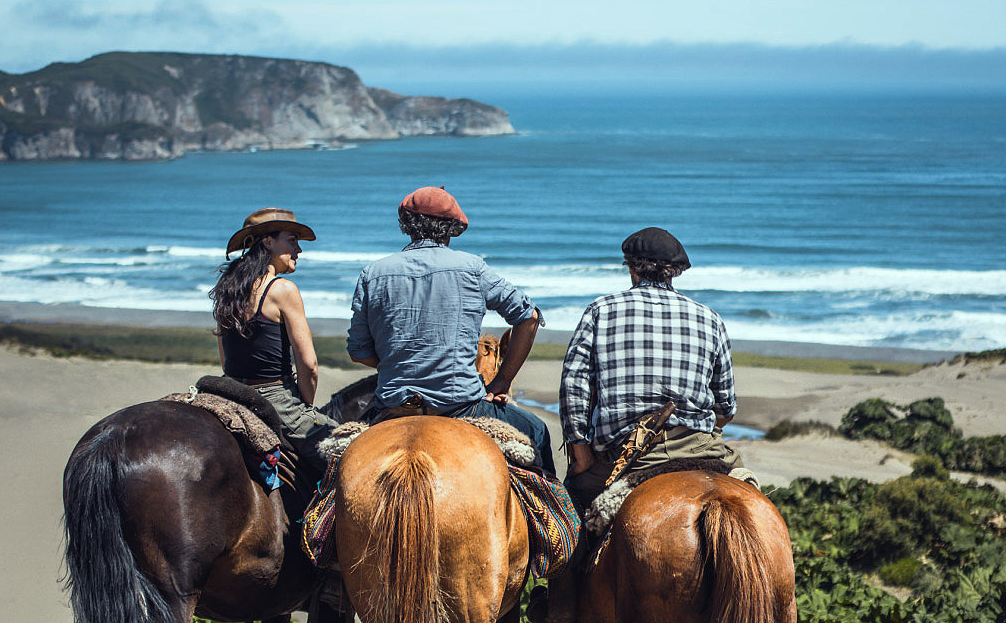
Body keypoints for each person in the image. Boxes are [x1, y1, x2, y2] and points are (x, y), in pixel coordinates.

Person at [346, 186, 556, 476]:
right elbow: (529, 318)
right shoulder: (472, 267)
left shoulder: (373, 273)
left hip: (392, 406)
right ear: (451, 229)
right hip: (461, 407)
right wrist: (501, 381)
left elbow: (358, 352)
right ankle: (559, 519)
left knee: (334, 471)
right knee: (538, 430)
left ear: (407, 226)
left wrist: (400, 359)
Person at [559, 226, 745, 514]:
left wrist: (580, 452)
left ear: (633, 269)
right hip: (701, 450)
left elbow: (574, 383)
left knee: (568, 521)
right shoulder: (710, 318)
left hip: (626, 455)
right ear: (675, 272)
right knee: (749, 495)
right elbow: (726, 405)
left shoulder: (600, 310)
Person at [211, 207, 336, 477]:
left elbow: (225, 358)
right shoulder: (282, 290)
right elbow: (309, 365)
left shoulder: (228, 289)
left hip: (228, 390)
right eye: (292, 240)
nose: (299, 250)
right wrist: (304, 408)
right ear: (268, 241)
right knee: (348, 454)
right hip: (274, 398)